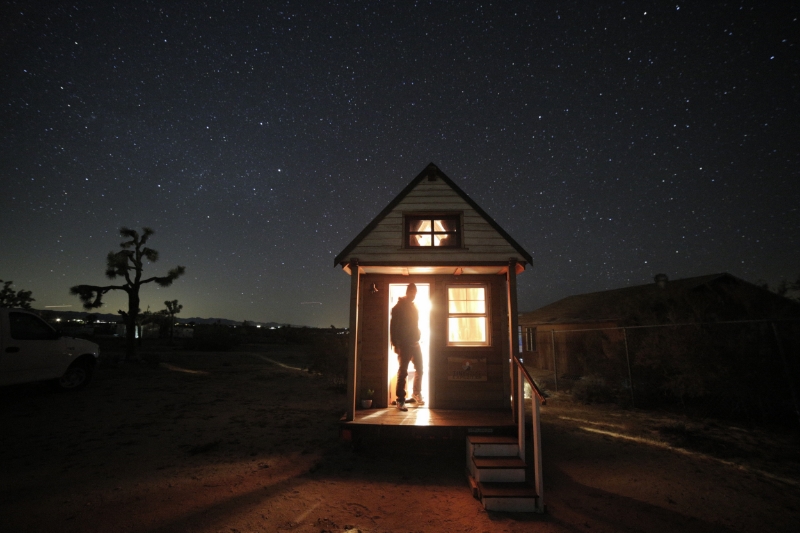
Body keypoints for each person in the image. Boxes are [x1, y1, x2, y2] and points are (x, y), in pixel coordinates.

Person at [390, 282, 424, 411]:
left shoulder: (414, 307)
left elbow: (415, 325)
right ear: (407, 292)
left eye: (415, 293)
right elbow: (393, 327)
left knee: (420, 369)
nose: (413, 295)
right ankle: (400, 399)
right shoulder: (398, 308)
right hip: (404, 344)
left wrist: (418, 334)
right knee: (403, 371)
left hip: (415, 343)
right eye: (411, 292)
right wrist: (395, 344)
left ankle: (416, 393)